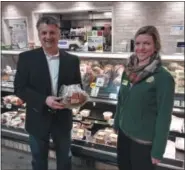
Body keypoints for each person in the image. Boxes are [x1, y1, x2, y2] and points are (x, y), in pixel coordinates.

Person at [14, 16, 85, 170]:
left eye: (52, 33)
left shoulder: (72, 60)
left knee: (65, 160)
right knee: (38, 161)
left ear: (59, 34)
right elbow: (19, 88)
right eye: (44, 33)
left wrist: (78, 97)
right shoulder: (27, 58)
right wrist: (44, 100)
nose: (48, 37)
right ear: (39, 35)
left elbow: (78, 87)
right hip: (37, 119)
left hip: (63, 119)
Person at [114, 25, 175, 170]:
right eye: (138, 43)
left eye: (147, 43)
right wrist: (117, 123)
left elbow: (164, 116)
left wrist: (158, 150)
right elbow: (121, 99)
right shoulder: (128, 71)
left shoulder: (163, 78)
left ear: (155, 46)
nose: (141, 48)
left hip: (143, 142)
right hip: (123, 135)